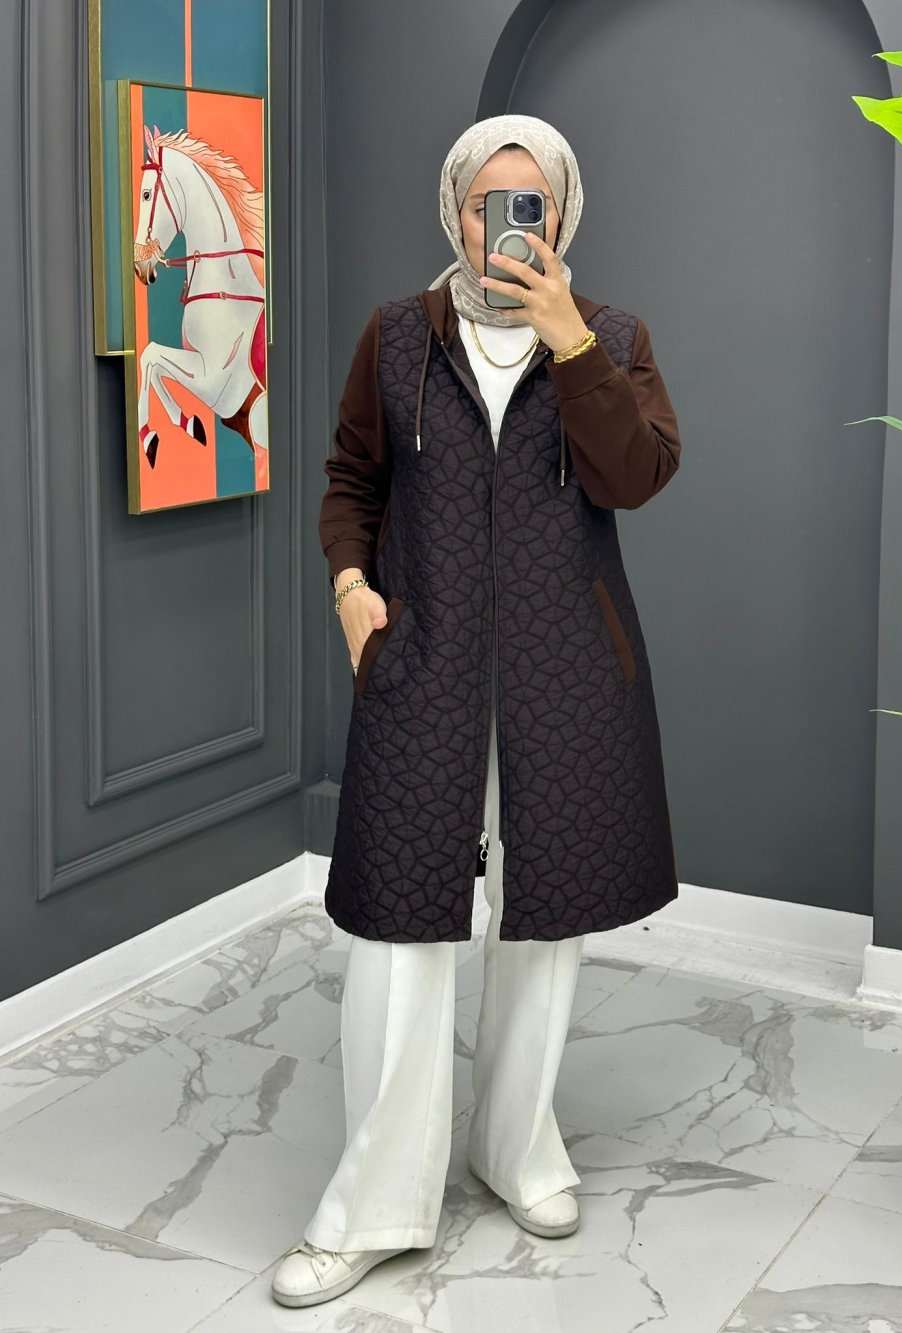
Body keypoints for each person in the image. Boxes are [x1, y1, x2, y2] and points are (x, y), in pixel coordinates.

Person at [271, 113, 682, 1309]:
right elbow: (351, 477)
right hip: (423, 664)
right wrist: (351, 588)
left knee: (544, 922)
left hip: (566, 674)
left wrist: (570, 345)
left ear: (559, 214)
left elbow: (638, 475)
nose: (503, 224)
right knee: (401, 935)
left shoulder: (612, 335)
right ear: (453, 210)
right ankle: (372, 1206)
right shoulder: (399, 335)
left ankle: (516, 1150)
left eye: (528, 203)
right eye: (482, 201)